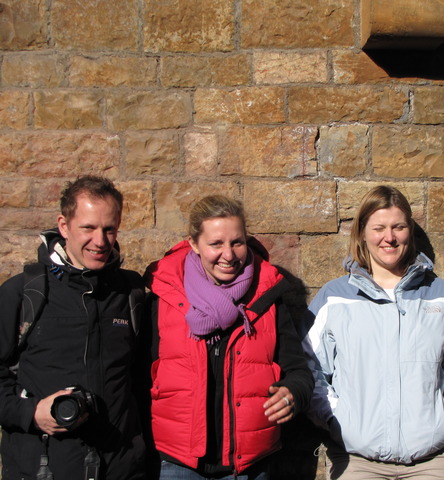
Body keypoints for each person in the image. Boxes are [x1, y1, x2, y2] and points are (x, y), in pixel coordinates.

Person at [303, 185, 444, 480]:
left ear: (409, 231)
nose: (389, 237)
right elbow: (311, 369)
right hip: (356, 461)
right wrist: (336, 419)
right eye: (379, 228)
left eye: (399, 227)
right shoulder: (334, 298)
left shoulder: (441, 295)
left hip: (434, 460)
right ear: (362, 233)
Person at [145, 194, 313, 480]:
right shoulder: (166, 298)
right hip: (177, 464)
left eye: (237, 242)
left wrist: (293, 393)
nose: (229, 254)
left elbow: (299, 371)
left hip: (249, 466)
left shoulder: (267, 296)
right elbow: (140, 376)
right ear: (194, 244)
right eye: (215, 244)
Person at [0, 176, 147, 479]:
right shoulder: (23, 292)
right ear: (64, 226)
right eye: (88, 228)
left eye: (109, 229)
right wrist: (32, 414)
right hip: (43, 468)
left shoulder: (130, 293)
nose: (101, 241)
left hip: (120, 468)